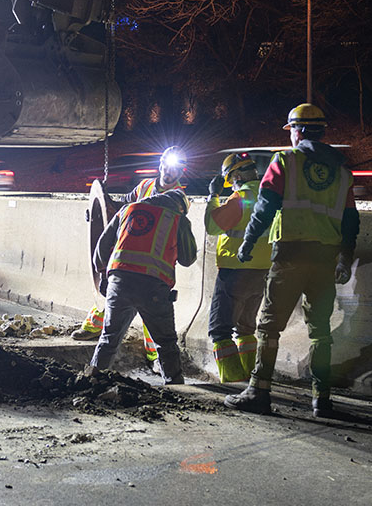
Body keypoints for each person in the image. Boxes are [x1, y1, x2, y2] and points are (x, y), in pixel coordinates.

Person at [224, 104, 359, 417]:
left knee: (269, 326)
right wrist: (345, 257)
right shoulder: (342, 172)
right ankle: (321, 400)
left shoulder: (286, 160)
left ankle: (258, 392)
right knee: (320, 330)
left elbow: (265, 206)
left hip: (290, 255)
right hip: (325, 259)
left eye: (291, 130)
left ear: (297, 131)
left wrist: (248, 241)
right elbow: (351, 220)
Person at [72, 146, 189, 368]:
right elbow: (122, 205)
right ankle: (93, 326)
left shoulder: (178, 198)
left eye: (174, 169)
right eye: (166, 166)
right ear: (161, 165)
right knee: (112, 294)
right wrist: (99, 209)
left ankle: (153, 357)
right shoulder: (145, 186)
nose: (169, 172)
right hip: (130, 252)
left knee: (142, 310)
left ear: (181, 172)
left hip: (154, 260)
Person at [88, 188, 198, 385]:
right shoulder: (178, 218)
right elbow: (187, 259)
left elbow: (101, 248)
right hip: (153, 288)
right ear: (181, 207)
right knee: (165, 342)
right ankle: (175, 386)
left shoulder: (128, 209)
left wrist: (104, 275)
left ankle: (92, 379)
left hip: (119, 283)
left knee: (109, 337)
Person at [204, 153, 272, 383]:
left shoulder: (242, 197)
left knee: (220, 329)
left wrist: (213, 196)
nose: (231, 185)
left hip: (235, 269)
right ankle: (251, 376)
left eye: (230, 180)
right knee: (246, 328)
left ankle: (233, 380)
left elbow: (212, 226)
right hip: (262, 271)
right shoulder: (269, 195)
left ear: (237, 176)